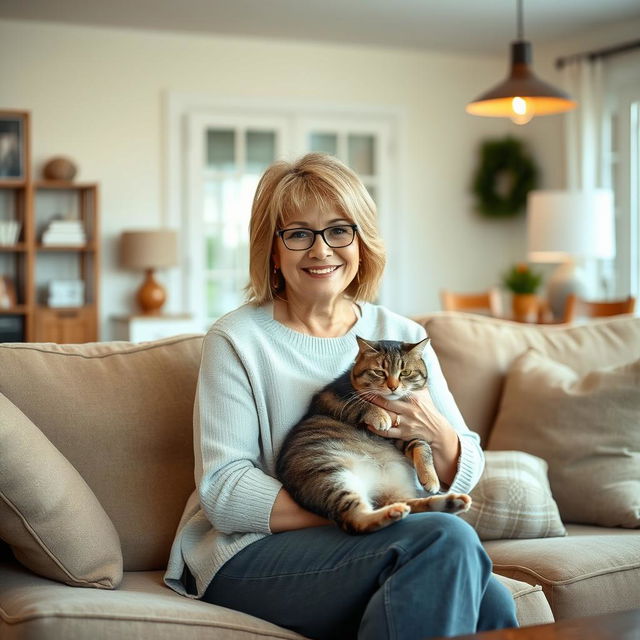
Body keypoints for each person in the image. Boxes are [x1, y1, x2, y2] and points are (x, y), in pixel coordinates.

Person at [164, 152, 518, 639]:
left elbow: (464, 472)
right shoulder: (237, 338)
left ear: (361, 242)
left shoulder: (401, 334)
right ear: (272, 248)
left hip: (374, 535)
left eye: (338, 230)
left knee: (489, 592)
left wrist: (437, 433)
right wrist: (358, 513)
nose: (321, 250)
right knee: (444, 539)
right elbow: (225, 492)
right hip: (248, 551)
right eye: (298, 233)